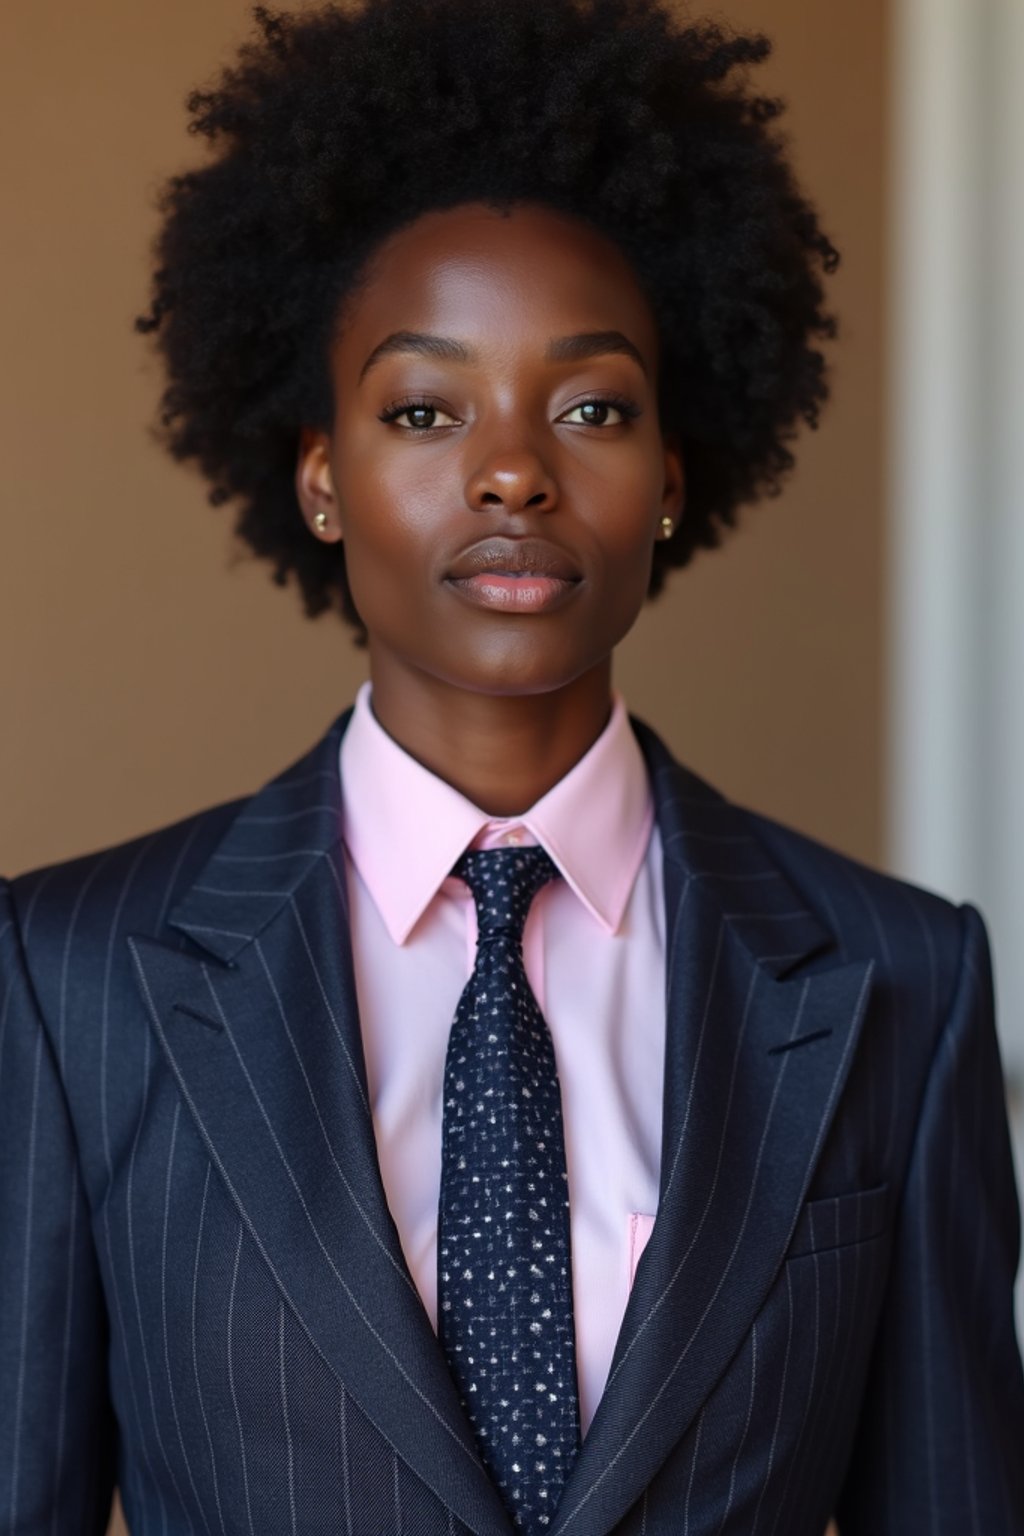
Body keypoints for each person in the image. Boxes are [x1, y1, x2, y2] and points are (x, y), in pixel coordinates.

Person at [2, 0, 1022, 1530]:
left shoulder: (899, 982)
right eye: (424, 408)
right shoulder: (70, 982)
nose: (511, 467)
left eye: (592, 406)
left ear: (670, 477)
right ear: (322, 478)